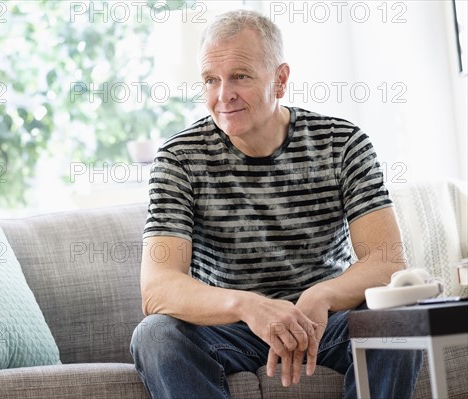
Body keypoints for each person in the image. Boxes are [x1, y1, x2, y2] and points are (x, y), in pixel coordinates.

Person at [130, 9, 423, 399]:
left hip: (323, 322)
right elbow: (158, 288)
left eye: (240, 76)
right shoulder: (179, 158)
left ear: (280, 79)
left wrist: (321, 297)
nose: (223, 95)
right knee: (155, 335)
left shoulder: (343, 144)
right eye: (210, 80)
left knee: (399, 321)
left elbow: (387, 261)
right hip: (231, 328)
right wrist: (248, 306)